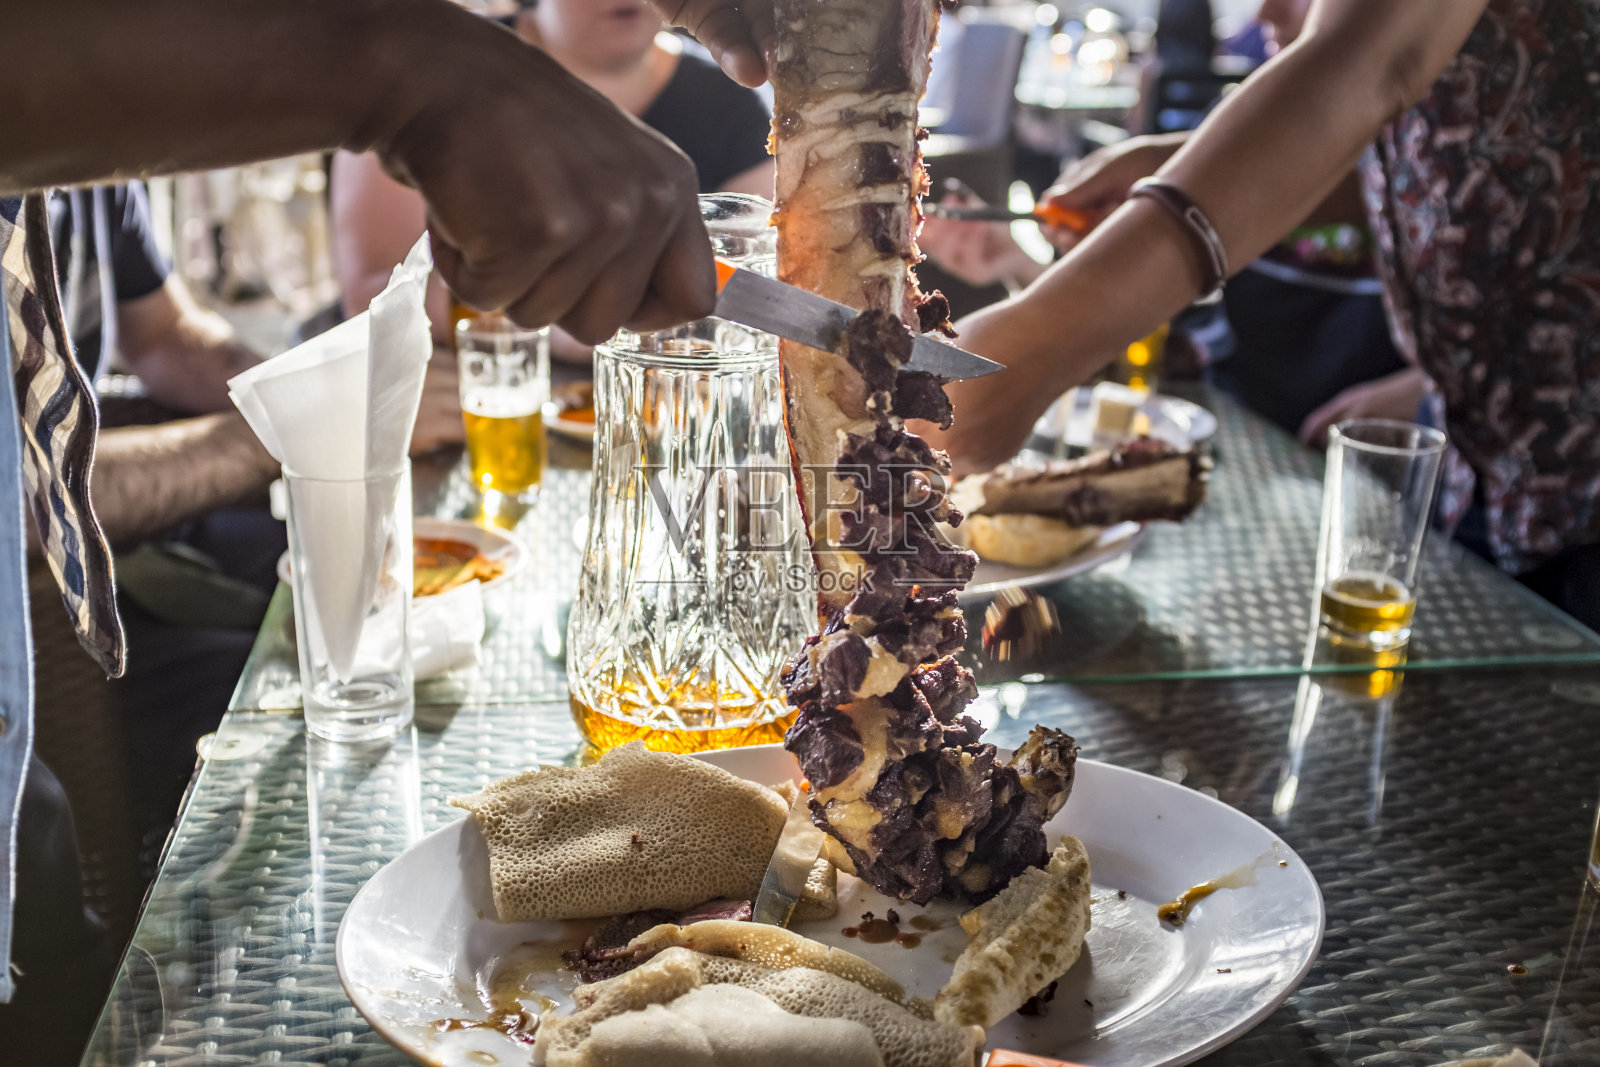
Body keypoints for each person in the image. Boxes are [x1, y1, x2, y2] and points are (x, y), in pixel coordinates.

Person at [0, 0, 774, 1058]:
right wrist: (279, 435)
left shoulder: (95, 159)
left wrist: (326, 390)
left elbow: (170, 334)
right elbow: (26, 492)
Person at [927, 0, 1600, 627]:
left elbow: (1365, 65)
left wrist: (1030, 352)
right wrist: (1178, 171)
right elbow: (1443, 171)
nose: (1267, 12)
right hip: (1484, 468)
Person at [919, 0, 1416, 441]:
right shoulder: (1231, 126)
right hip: (1233, 427)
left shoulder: (1431, 166)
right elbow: (1169, 342)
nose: (1264, 12)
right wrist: (1020, 266)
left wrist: (1424, 394)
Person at [332, 0, 775, 359]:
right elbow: (374, 288)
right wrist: (556, 326)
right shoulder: (443, 72)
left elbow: (765, 276)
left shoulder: (732, 101)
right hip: (476, 389)